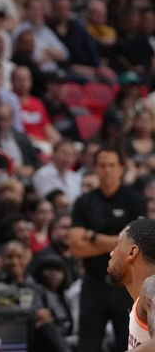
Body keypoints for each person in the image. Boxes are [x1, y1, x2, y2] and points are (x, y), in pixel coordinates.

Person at [69, 147, 148, 352]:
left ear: (121, 168)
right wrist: (118, 242)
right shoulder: (83, 202)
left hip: (126, 285)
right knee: (87, 345)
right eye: (102, 165)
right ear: (95, 168)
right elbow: (77, 247)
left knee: (130, 345)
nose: (107, 170)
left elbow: (134, 246)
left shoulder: (135, 200)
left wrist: (92, 237)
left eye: (112, 165)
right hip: (94, 282)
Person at [106, 219, 155, 349]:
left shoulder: (152, 287)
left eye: (117, 244)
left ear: (132, 252)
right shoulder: (141, 301)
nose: (111, 253)